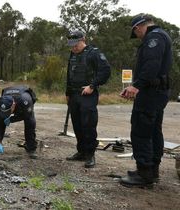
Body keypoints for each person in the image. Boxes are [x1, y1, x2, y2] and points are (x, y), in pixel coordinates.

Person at [119, 14, 172, 188]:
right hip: (158, 92)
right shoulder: (162, 35)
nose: (138, 36)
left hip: (150, 93)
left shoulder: (153, 38)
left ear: (139, 27)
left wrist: (136, 86)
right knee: (154, 131)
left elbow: (151, 64)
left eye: (136, 33)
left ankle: (144, 174)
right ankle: (152, 171)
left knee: (141, 131)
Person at [65, 30, 111, 168]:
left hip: (88, 95)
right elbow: (69, 74)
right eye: (71, 45)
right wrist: (67, 93)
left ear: (83, 40)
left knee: (88, 125)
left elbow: (106, 71)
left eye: (76, 44)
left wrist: (92, 85)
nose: (73, 47)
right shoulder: (72, 54)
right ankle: (82, 152)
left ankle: (90, 155)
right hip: (74, 95)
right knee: (77, 125)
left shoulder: (94, 53)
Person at [0, 86, 38, 159]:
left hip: (23, 104)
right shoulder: (1, 103)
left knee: (30, 123)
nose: (6, 115)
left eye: (8, 112)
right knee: (0, 120)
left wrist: (11, 119)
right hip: (11, 99)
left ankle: (31, 148)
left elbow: (25, 116)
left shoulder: (26, 100)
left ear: (13, 105)